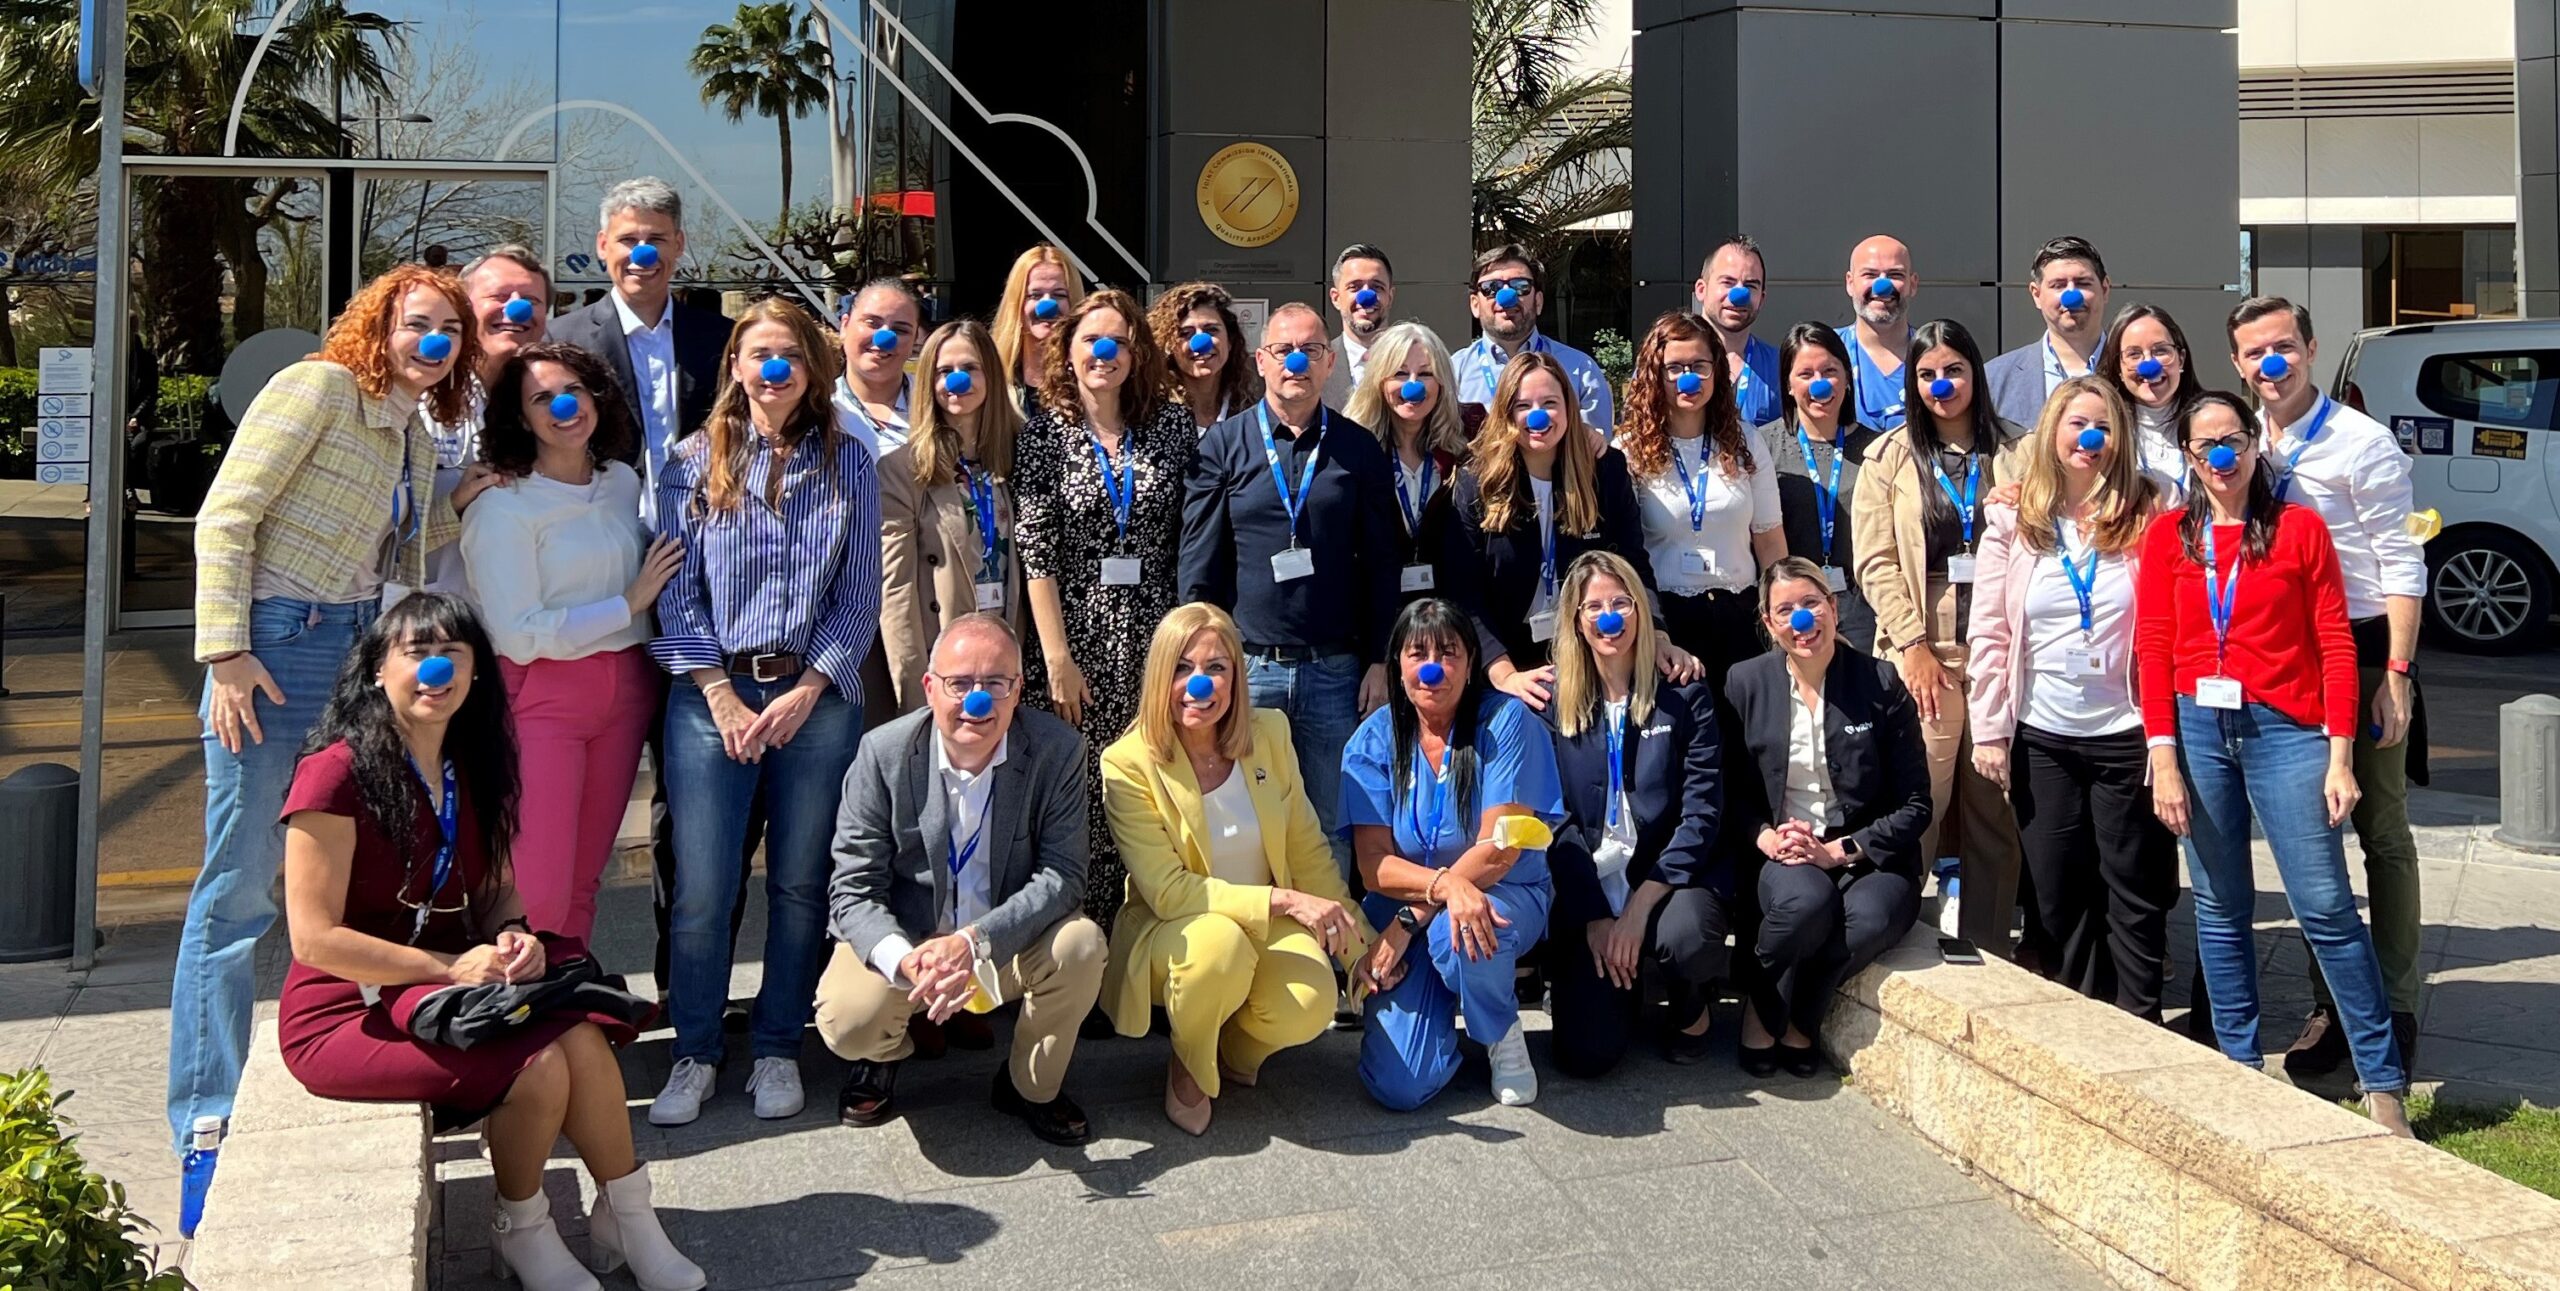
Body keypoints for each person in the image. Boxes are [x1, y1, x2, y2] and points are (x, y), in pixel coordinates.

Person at [275, 594, 703, 1291]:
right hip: (348, 1007)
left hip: (446, 987)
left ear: (475, 672)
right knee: (536, 1066)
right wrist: (449, 966)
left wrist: (513, 938)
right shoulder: (334, 773)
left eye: (454, 650)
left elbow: (499, 894)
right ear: (377, 670)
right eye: (416, 650)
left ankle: (627, 1214)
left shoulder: (473, 765)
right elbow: (316, 939)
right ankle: (521, 1226)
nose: (435, 666)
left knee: (582, 1038)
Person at [171, 262, 474, 1152]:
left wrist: (489, 485)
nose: (433, 342)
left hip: (350, 648)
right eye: (418, 322)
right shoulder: (317, 388)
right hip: (273, 646)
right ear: (378, 325)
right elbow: (226, 517)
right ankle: (203, 1108)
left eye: (449, 331)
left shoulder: (412, 432)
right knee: (237, 883)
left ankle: (347, 1048)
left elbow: (417, 541)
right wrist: (226, 652)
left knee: (339, 866)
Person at [2135, 391, 2413, 1136]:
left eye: (2232, 440)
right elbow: (2153, 646)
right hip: (2197, 728)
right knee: (2222, 906)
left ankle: (2382, 1081)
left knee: (2323, 904)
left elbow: (2332, 640)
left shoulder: (2298, 529)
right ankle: (2238, 1066)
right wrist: (2162, 752)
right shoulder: (2170, 537)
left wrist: (2339, 754)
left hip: (2287, 728)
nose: (2220, 458)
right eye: (2204, 446)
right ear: (2189, 459)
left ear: (2256, 445)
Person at [645, 298, 880, 1127]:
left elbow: (859, 593)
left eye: (789, 353)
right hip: (710, 700)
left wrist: (811, 685)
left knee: (799, 881)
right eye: (759, 353)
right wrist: (715, 689)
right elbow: (676, 590)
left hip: (814, 701)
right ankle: (696, 1050)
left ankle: (779, 1044)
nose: (773, 368)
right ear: (737, 366)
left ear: (811, 368)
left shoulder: (848, 460)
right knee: (705, 887)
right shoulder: (687, 460)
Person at [2230, 296, 2431, 1081]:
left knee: (2381, 828)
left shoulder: (2363, 442)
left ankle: (2399, 1001)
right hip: (2288, 654)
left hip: (2369, 645)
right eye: (2254, 353)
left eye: (2282, 346)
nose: (2269, 364)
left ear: (2310, 349)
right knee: (2313, 834)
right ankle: (2334, 1004)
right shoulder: (2240, 439)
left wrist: (2400, 676)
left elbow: (2403, 559)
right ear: (2240, 363)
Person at [816, 614, 1108, 1145]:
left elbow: (1064, 876)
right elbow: (853, 886)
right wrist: (905, 959)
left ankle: (1027, 1086)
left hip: (1002, 940)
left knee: (1082, 944)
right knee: (848, 1019)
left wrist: (974, 943)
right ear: (930, 688)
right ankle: (885, 1054)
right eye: (960, 684)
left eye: (996, 683)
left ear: (1018, 690)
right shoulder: (882, 754)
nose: (979, 701)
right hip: (912, 940)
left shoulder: (1057, 750)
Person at [1098, 604, 1371, 1134]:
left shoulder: (1269, 732)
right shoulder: (1126, 763)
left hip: (1258, 926)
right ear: (1160, 676)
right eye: (1182, 668)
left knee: (1313, 999)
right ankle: (1189, 1060)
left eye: (1216, 668)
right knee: (1219, 947)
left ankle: (1230, 1050)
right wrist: (1283, 901)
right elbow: (1169, 892)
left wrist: (1359, 945)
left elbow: (1306, 848)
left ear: (1236, 678)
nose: (1199, 685)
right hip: (1173, 931)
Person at [1966, 377, 2175, 1017]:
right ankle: (2086, 1017)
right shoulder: (2014, 516)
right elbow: (1991, 629)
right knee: (2057, 891)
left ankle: (2141, 1018)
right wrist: (1990, 729)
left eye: (2105, 427)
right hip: (2043, 733)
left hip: (2126, 730)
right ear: (2052, 432)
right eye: (2077, 424)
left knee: (2131, 888)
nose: (2090, 439)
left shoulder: (2151, 509)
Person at [459, 343, 679, 942]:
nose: (563, 406)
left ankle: (567, 1004)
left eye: (574, 391)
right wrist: (628, 603)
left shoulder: (620, 482)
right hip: (542, 698)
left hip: (626, 691)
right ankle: (521, 1018)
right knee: (539, 884)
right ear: (518, 416)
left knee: (586, 876)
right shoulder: (502, 507)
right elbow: (519, 634)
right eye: (541, 398)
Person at [1181, 302, 1403, 868]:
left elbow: (1383, 565)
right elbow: (1199, 568)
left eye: (1311, 351)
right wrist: (1203, 663)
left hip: (1336, 673)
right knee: (1242, 822)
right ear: (1261, 360)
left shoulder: (1358, 450)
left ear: (1330, 363)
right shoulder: (1224, 447)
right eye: (1283, 350)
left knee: (1329, 828)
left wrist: (1380, 660)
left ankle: (1325, 953)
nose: (1296, 363)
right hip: (1248, 671)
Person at [1342, 598, 1565, 1109]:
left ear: (1469, 664)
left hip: (1504, 892)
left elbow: (1499, 849)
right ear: (1396, 663)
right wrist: (1442, 891)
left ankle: (1501, 1034)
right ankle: (1448, 1002)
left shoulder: (1508, 722)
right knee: (1400, 1087)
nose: (1432, 668)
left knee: (1459, 927)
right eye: (1417, 653)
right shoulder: (1371, 742)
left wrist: (1410, 918)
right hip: (1413, 908)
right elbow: (1373, 864)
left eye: (1449, 653)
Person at [1849, 318, 2028, 958]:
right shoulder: (1889, 457)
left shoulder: (2023, 451)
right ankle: (1897, 940)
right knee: (1918, 799)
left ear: (1976, 373)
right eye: (1926, 374)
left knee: (1993, 808)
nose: (1941, 385)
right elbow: (1874, 562)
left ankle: (1988, 948)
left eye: (1953, 370)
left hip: (1998, 652)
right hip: (1922, 652)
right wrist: (1913, 646)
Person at [1017, 288, 1193, 931]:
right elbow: (1037, 557)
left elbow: (1190, 534)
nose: (1105, 352)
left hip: (1155, 641)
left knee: (1152, 796)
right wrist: (1057, 659)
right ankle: (1082, 952)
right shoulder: (1044, 437)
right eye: (1092, 338)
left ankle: (1143, 953)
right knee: (1082, 799)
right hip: (1078, 645)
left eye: (1119, 340)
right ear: (1068, 349)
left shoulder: (1170, 428)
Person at [1721, 560, 1929, 1075]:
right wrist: (1765, 838)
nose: (1801, 621)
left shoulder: (1880, 682)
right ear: (1769, 625)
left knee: (1871, 919)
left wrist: (1841, 851)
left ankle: (1793, 1019)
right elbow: (1731, 792)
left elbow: (1916, 804)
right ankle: (1763, 999)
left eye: (1811, 604)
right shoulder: (1744, 683)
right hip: (1786, 846)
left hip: (1867, 853)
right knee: (1807, 906)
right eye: (1784, 610)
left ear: (1834, 608)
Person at [1541, 552, 1732, 1074]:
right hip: (1589, 887)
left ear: (1642, 611)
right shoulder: (1551, 701)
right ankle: (1612, 987)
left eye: (1622, 603)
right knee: (1587, 1057)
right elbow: (1552, 821)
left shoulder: (1683, 692)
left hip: (1663, 882)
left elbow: (1701, 815)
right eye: (1595, 607)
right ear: (1577, 622)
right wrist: (1596, 915)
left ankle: (1691, 1009)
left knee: (1687, 937)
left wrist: (1637, 911)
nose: (1610, 618)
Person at [1437, 352, 1699, 714]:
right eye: (1523, 405)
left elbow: (1633, 562)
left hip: (1590, 651)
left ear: (1569, 408)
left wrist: (1657, 634)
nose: (1538, 416)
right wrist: (1504, 674)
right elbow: (1464, 592)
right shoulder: (1475, 482)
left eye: (1549, 403)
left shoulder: (1605, 471)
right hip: (1506, 659)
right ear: (1505, 412)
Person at [546, 178, 730, 525]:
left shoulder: (722, 339)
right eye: (628, 240)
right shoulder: (563, 341)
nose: (641, 254)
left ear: (678, 245)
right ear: (603, 245)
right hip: (601, 532)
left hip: (706, 532)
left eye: (656, 240)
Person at [1617, 311, 1786, 681]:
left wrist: (1782, 613)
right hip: (1664, 626)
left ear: (1716, 371)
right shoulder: (1628, 450)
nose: (1688, 378)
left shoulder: (1746, 442)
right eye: (1674, 367)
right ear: (1654, 375)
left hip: (1742, 618)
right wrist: (1653, 629)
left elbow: (1770, 542)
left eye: (1699, 365)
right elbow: (1624, 553)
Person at [879, 319, 1025, 714]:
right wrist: (913, 687)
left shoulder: (1021, 455)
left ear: (991, 376)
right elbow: (897, 591)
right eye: (945, 371)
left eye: (970, 368)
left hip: (1011, 654)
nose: (956, 381)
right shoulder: (901, 470)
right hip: (945, 661)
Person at [422, 245, 551, 594]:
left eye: (532, 301)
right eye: (498, 296)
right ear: (463, 308)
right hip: (434, 614)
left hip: (523, 612)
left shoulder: (553, 402)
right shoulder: (420, 396)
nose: (517, 308)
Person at [1762, 321, 1883, 651]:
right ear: (1787, 384)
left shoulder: (1879, 450)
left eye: (1829, 371)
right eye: (1806, 374)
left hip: (1863, 613)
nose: (1820, 385)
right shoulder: (1762, 448)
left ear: (1847, 377)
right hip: (1792, 615)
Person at [1341, 321, 1469, 604]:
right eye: (1400, 373)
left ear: (1441, 382)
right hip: (1373, 614)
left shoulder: (1465, 442)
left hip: (1447, 613)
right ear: (1379, 380)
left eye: (1425, 374)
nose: (1413, 386)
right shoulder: (1352, 448)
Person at [1452, 244, 1615, 434]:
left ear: (1538, 301)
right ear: (1475, 305)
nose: (1506, 297)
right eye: (1491, 288)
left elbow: (1594, 450)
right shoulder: (1453, 373)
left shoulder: (1581, 371)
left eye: (1521, 286)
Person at [1984, 237, 2114, 429]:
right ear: (2037, 295)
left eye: (2083, 283)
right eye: (2058, 285)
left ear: (2104, 289)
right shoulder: (1994, 379)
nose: (2072, 297)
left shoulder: (2134, 373)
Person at [2098, 303, 2205, 498]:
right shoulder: (2106, 430)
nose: (2149, 365)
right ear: (2118, 368)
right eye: (2134, 355)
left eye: (2160, 351)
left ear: (2180, 359)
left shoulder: (2210, 421)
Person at [1693, 235, 1782, 427]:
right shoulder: (1665, 363)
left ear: (1762, 298)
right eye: (1728, 282)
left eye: (1750, 286)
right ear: (1701, 289)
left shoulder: (1782, 368)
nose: (1739, 295)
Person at [991, 243, 1087, 418]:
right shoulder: (992, 383)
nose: (1047, 306)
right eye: (1035, 295)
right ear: (1018, 303)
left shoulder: (1089, 385)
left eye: (1059, 295)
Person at [1149, 280, 1258, 434]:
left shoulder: (1250, 416)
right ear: (1168, 346)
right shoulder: (1152, 418)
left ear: (1230, 341)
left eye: (1211, 330)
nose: (1200, 343)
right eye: (1185, 333)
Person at [833, 277, 921, 459]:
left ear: (915, 339)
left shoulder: (936, 405)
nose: (885, 339)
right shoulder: (817, 409)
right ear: (844, 326)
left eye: (900, 330)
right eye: (872, 323)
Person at [1837, 235, 1916, 430]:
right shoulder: (1825, 351)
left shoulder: (1935, 354)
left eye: (1895, 275)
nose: (1883, 286)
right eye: (1870, 275)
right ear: (1850, 283)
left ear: (1912, 284)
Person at [1324, 243, 1396, 406]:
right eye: (1354, 287)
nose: (1366, 296)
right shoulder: (1317, 366)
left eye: (1376, 287)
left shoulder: (1418, 363)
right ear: (1336, 298)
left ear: (1390, 297)